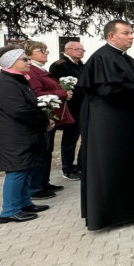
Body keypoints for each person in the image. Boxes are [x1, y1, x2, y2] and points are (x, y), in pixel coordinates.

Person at [78, 20, 134, 231]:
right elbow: (110, 90)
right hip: (110, 123)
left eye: (131, 32)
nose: (131, 36)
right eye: (126, 33)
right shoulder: (103, 58)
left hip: (127, 121)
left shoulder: (125, 57)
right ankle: (116, 213)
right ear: (111, 36)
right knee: (114, 164)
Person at [0, 45, 53, 223]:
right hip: (13, 137)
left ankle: (24, 203)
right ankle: (9, 211)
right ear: (11, 62)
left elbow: (30, 106)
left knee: (26, 169)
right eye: (25, 59)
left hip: (24, 134)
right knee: (17, 171)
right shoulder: (4, 83)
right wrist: (44, 122)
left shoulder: (18, 80)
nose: (29, 62)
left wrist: (44, 119)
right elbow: (20, 110)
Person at [23, 40, 73, 197]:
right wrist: (62, 93)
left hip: (49, 116)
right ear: (29, 53)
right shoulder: (32, 71)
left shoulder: (40, 69)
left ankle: (43, 182)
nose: (45, 53)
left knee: (46, 151)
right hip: (42, 117)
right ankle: (35, 187)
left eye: (46, 50)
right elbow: (36, 94)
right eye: (40, 50)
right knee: (41, 152)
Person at [50, 41, 86, 179]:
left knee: (84, 138)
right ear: (67, 50)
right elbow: (59, 86)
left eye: (82, 50)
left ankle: (82, 166)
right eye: (77, 49)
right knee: (70, 140)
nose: (81, 51)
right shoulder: (60, 66)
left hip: (82, 106)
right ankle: (68, 168)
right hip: (70, 108)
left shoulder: (82, 65)